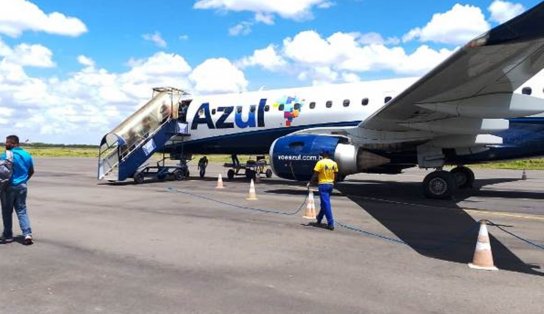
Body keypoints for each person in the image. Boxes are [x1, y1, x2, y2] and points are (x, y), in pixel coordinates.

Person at [0, 135, 34, 245]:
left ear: (14, 143)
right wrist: (23, 181)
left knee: (7, 212)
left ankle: (8, 235)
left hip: (8, 187)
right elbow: (31, 171)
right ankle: (27, 234)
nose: (6, 144)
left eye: (8, 142)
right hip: (22, 187)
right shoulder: (27, 155)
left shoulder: (5, 155)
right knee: (22, 210)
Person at [307, 150, 338, 230]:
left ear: (324, 155)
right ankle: (319, 218)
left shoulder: (320, 163)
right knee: (324, 203)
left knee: (326, 204)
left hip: (323, 185)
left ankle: (330, 223)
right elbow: (335, 175)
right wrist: (333, 183)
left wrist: (310, 183)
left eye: (322, 154)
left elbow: (315, 175)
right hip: (330, 185)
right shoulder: (334, 163)